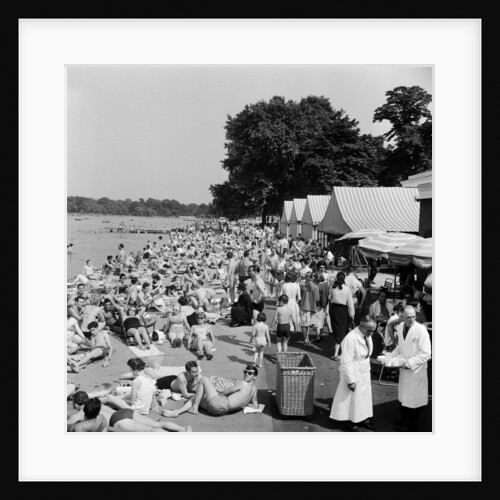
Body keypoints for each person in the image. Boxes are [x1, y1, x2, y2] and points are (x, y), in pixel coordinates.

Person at [330, 316, 376, 432]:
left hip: (364, 369)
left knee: (364, 398)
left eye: (372, 330)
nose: (371, 333)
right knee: (352, 399)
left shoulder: (366, 335)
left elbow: (366, 352)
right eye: (369, 330)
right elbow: (345, 362)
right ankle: (351, 422)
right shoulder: (350, 339)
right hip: (353, 370)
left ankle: (364, 419)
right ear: (361, 325)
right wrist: (350, 380)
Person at [391, 306, 432, 431]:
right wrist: (392, 355)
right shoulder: (401, 326)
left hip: (416, 370)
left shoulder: (421, 330)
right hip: (404, 368)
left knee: (414, 400)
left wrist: (410, 363)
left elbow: (426, 353)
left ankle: (412, 426)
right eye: (408, 317)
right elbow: (401, 345)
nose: (412, 319)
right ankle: (404, 421)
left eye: (414, 316)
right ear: (402, 317)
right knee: (404, 396)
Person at [162, 365, 259, 417]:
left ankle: (194, 408)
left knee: (204, 379)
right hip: (221, 411)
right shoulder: (254, 390)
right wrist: (241, 404)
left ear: (254, 376)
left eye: (250, 373)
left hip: (219, 403)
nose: (246, 374)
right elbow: (255, 406)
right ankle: (177, 412)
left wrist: (212, 390)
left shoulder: (242, 384)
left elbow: (225, 392)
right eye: (245, 372)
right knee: (195, 397)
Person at [329, 271, 355, 361]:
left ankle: (337, 349)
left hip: (334, 311)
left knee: (336, 329)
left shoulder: (333, 288)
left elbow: (330, 299)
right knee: (342, 330)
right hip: (343, 311)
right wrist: (352, 315)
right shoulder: (347, 289)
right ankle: (337, 352)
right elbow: (350, 304)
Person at [299, 271, 320, 344]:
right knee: (309, 324)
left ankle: (305, 339)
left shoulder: (302, 285)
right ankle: (308, 337)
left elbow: (300, 296)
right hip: (312, 307)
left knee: (304, 324)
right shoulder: (315, 287)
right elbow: (317, 299)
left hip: (304, 306)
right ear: (312, 277)